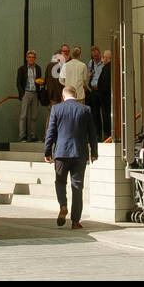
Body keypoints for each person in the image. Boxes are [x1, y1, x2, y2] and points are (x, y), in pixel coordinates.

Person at [44, 85, 99, 229]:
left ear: (63, 96)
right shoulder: (85, 109)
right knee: (77, 187)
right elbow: (92, 133)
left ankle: (63, 205)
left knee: (60, 182)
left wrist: (47, 152)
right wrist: (94, 152)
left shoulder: (56, 109)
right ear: (76, 95)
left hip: (61, 153)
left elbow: (50, 132)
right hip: (79, 153)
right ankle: (75, 221)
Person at [16, 50, 46, 142]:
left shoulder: (38, 68)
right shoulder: (22, 69)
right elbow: (18, 83)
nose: (31, 59)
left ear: (35, 59)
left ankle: (32, 136)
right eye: (29, 57)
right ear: (26, 58)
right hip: (26, 92)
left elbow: (39, 80)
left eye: (33, 57)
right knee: (23, 115)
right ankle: (22, 136)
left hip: (35, 93)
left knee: (34, 116)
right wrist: (22, 94)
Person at [89, 49, 114, 140]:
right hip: (97, 93)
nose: (103, 59)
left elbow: (105, 82)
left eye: (103, 57)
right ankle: (100, 134)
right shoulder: (93, 65)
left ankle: (106, 135)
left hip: (104, 95)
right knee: (96, 114)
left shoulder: (108, 67)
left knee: (105, 115)